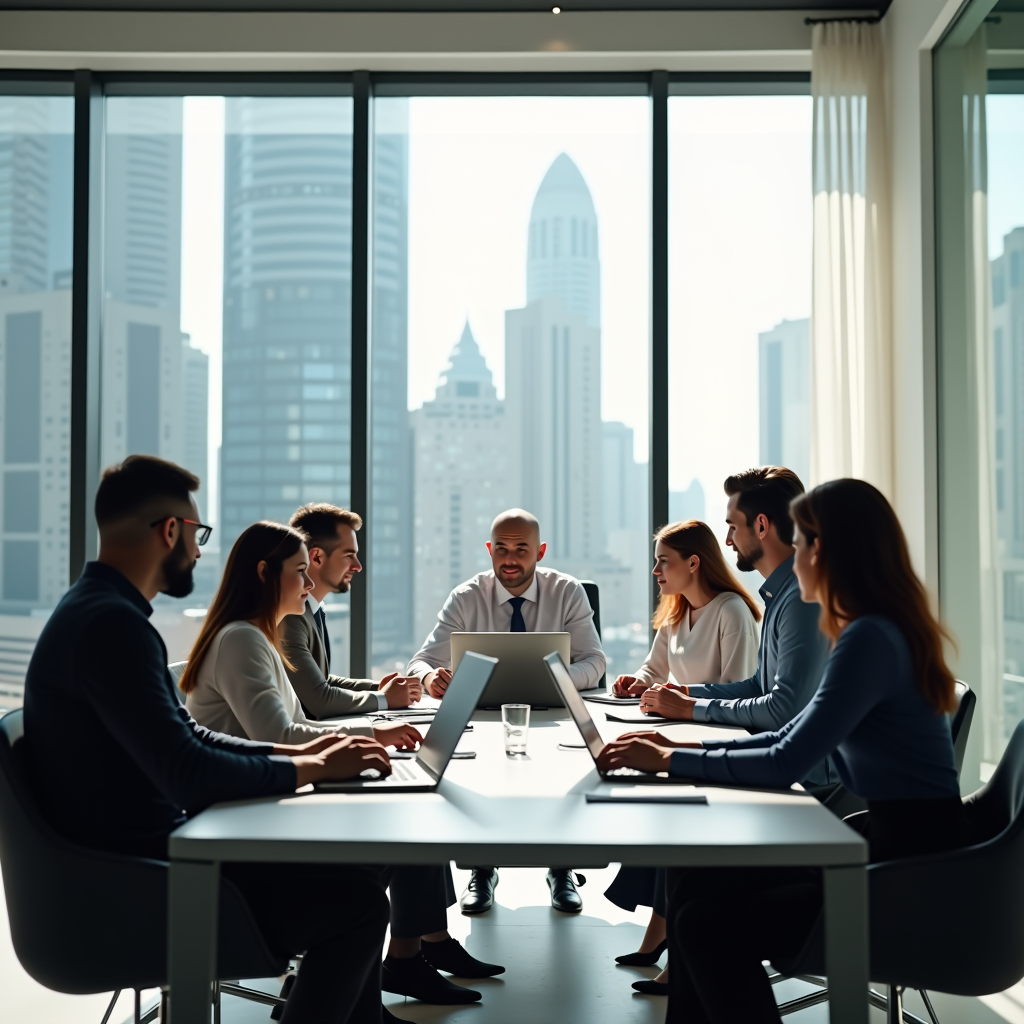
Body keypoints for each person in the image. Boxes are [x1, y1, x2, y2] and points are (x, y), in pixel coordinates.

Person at [23, 456, 394, 1024]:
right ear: (170, 531)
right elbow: (188, 772)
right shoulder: (111, 626)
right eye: (197, 534)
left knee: (358, 878)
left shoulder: (101, 613)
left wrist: (304, 753)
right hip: (136, 881)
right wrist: (312, 768)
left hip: (144, 857)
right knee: (357, 905)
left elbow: (189, 737)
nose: (199, 552)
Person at [597, 478, 978, 1024]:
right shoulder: (871, 628)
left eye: (801, 543)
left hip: (903, 874)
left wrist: (671, 758)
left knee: (705, 922)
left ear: (826, 551)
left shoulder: (868, 639)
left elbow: (786, 758)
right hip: (883, 845)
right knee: (689, 874)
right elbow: (787, 738)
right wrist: (674, 748)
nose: (793, 558)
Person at [181, 520, 503, 1004]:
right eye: (299, 572)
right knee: (387, 852)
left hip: (269, 802)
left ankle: (374, 983)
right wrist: (371, 734)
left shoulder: (254, 636)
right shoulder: (241, 640)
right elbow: (281, 735)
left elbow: (293, 723)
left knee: (405, 823)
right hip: (252, 820)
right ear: (265, 573)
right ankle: (369, 982)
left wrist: (370, 736)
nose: (308, 583)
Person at [408, 508, 606, 914]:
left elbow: (595, 662)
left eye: (521, 550)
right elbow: (421, 662)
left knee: (563, 774)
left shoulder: (567, 592)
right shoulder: (466, 596)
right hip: (482, 716)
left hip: (552, 713)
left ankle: (562, 868)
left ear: (540, 552)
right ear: (489, 549)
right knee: (473, 775)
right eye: (501, 549)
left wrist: (556, 678)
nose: (509, 559)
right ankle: (481, 869)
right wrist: (430, 680)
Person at [604, 519, 760, 994]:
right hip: (683, 729)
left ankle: (673, 941)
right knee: (659, 804)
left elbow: (741, 689)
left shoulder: (731, 611)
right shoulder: (676, 609)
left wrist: (682, 698)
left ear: (694, 562)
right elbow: (654, 669)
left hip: (720, 738)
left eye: (663, 562)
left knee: (669, 808)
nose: (655, 571)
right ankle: (661, 930)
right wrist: (637, 683)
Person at [631, 468, 833, 792]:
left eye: (733, 527)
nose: (728, 540)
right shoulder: (781, 595)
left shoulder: (801, 599)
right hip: (784, 766)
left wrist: (689, 710)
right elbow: (758, 686)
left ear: (761, 526)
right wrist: (686, 695)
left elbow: (783, 710)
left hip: (812, 786)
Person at [280, 503, 422, 717]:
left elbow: (321, 681)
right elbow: (319, 699)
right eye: (349, 556)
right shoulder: (290, 616)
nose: (357, 566)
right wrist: (384, 698)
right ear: (316, 557)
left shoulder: (313, 609)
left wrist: (379, 688)